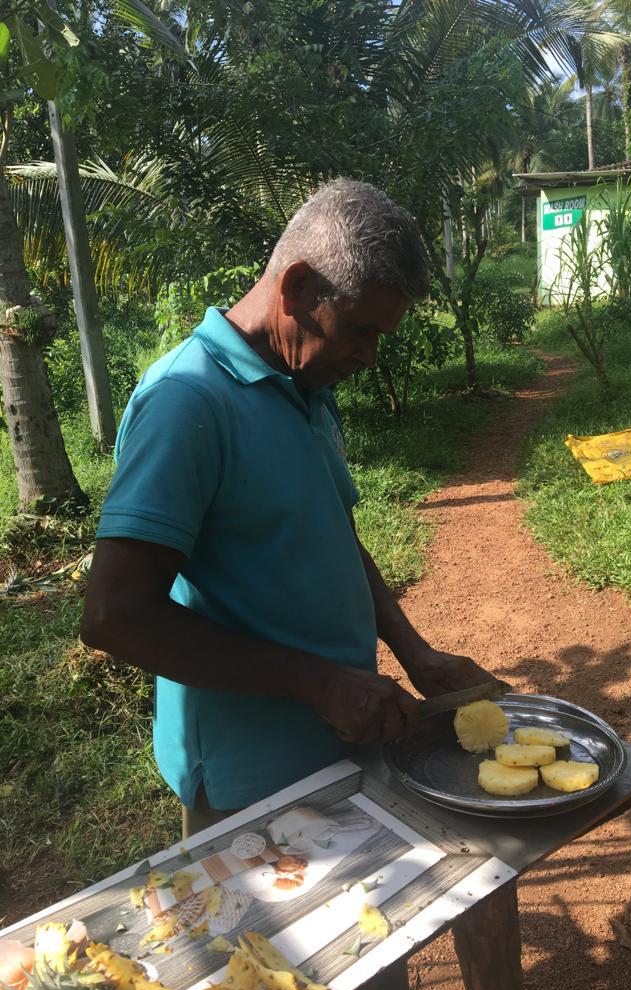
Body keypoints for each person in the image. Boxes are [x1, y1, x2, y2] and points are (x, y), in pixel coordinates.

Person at [81, 179, 499, 838]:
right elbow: (115, 616)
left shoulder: (305, 383)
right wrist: (320, 684)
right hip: (250, 780)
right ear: (298, 287)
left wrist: (415, 653)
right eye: (359, 331)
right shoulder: (186, 401)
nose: (369, 357)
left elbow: (333, 533)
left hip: (339, 744)